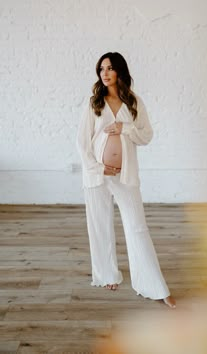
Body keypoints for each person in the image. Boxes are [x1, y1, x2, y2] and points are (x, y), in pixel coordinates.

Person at [76, 52, 176, 308]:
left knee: (137, 228)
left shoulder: (134, 102)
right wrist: (98, 168)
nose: (105, 73)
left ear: (120, 71)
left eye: (110, 68)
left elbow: (146, 136)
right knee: (100, 226)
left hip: (125, 175)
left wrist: (125, 128)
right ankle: (107, 274)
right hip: (98, 175)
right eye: (101, 69)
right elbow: (82, 142)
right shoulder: (93, 103)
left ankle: (153, 285)